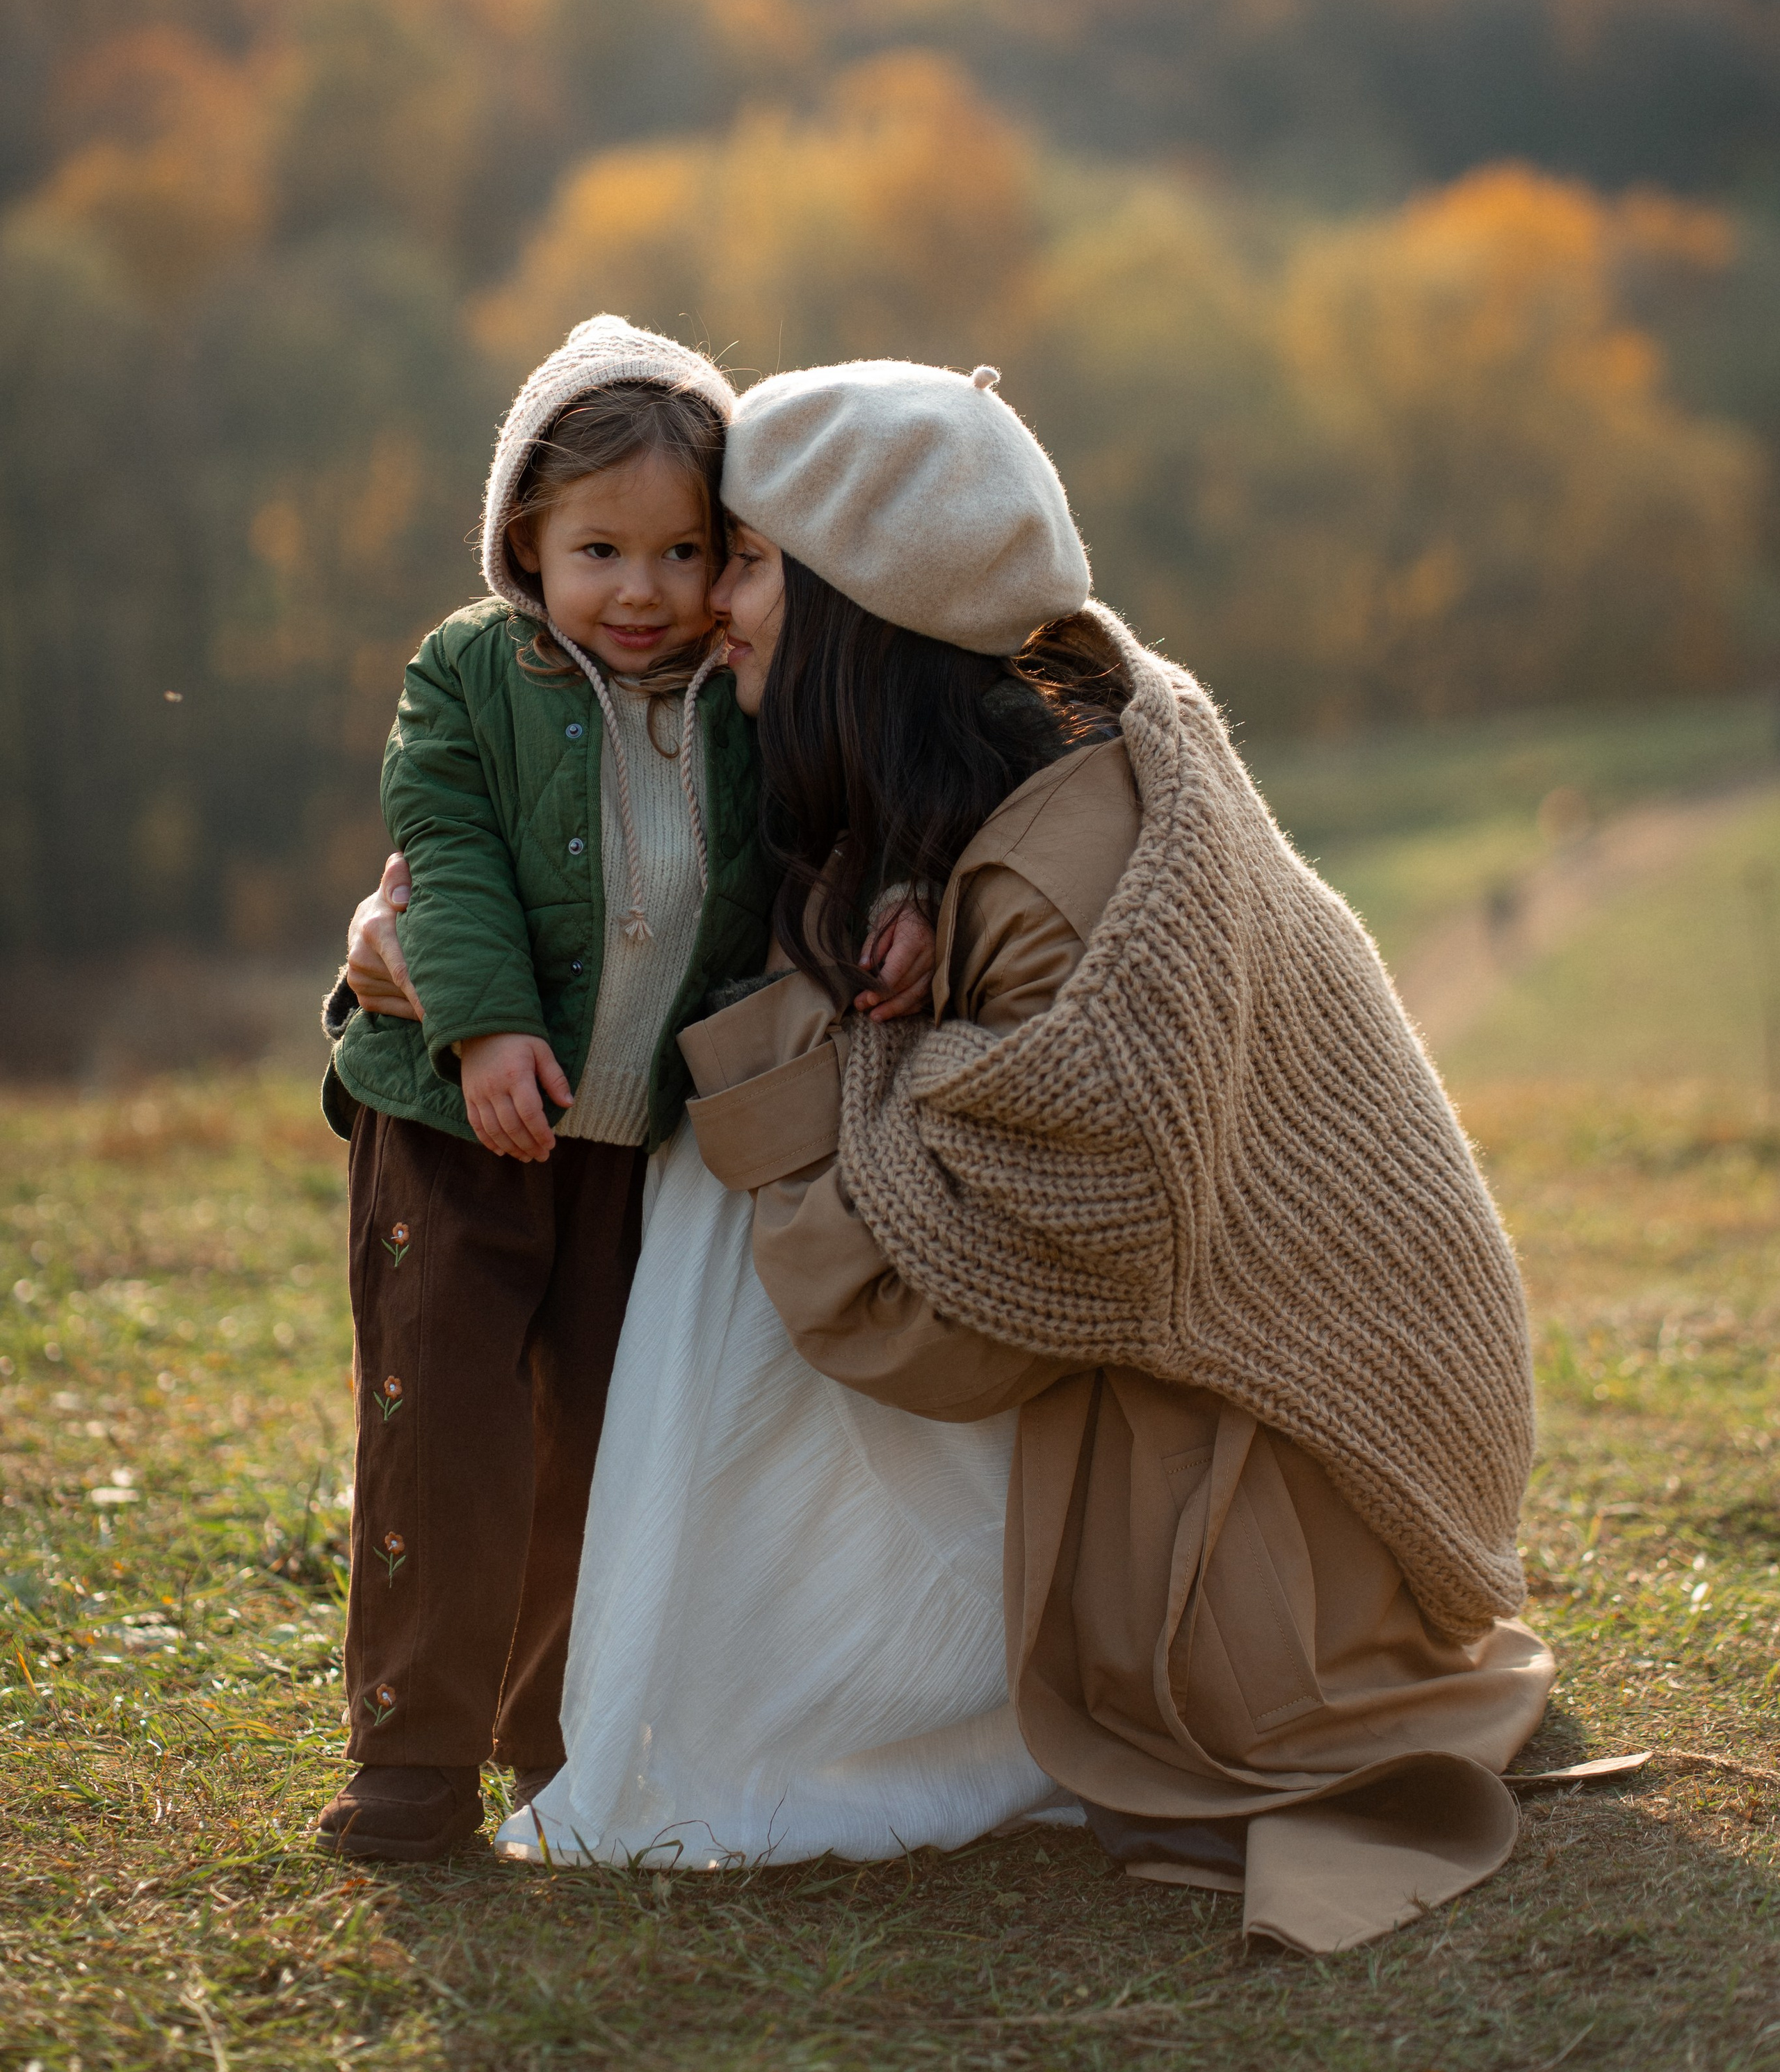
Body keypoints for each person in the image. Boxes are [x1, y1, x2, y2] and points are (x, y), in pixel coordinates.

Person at [510, 357, 1558, 1953]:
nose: (711, 603)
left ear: (863, 603)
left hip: (1279, 1534)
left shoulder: (1063, 885)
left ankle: (751, 1718)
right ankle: (686, 1684)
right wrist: (413, 935)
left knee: (744, 1169)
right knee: (769, 1124)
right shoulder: (1034, 753)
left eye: (750, 561)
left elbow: (947, 1321)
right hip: (1283, 1450)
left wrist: (800, 1061)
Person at [315, 316, 929, 1863]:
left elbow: (827, 825)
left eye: (682, 551)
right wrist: (481, 1028)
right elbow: (447, 853)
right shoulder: (471, 671)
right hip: (450, 1121)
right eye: (600, 550)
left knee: (594, 1439)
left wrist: (898, 895)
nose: (642, 591)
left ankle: (556, 1738)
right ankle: (412, 1755)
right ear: (524, 540)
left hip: (629, 1146)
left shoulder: (745, 696)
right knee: (444, 1421)